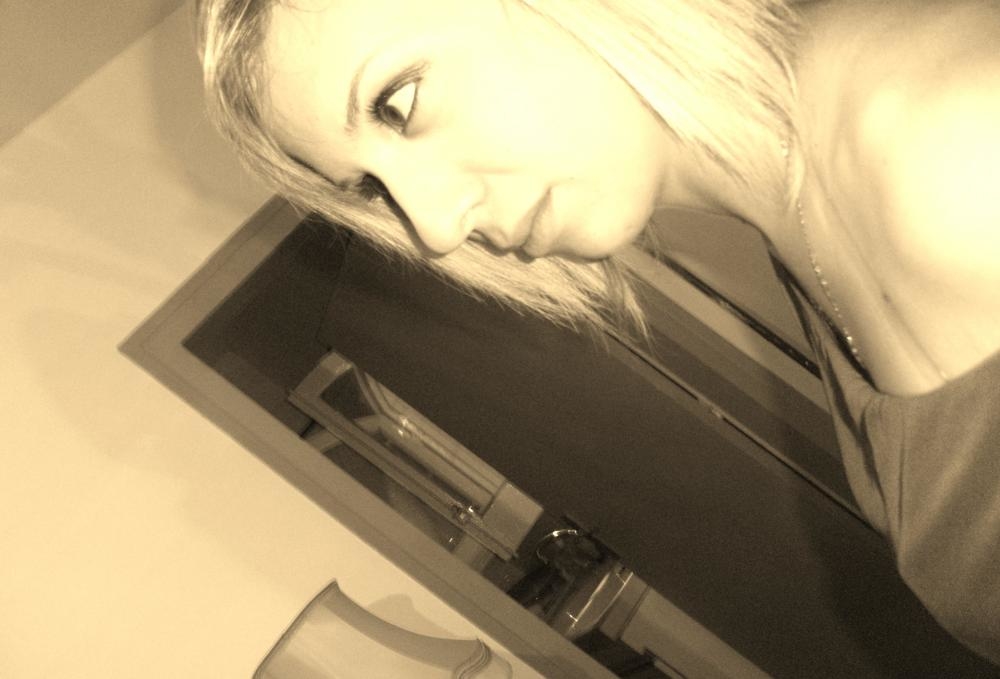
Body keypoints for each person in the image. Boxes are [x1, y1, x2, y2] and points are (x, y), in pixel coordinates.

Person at [194, 0, 1000, 665]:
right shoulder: (819, 199)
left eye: (400, 102)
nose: (434, 227)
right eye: (373, 187)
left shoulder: (955, 152)